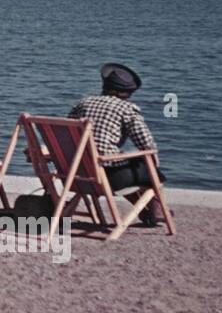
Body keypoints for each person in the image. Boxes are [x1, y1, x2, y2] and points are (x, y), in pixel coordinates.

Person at [68, 62, 165, 224]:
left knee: (123, 164)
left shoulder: (83, 103)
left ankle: (149, 210)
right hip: (108, 177)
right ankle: (156, 210)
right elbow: (146, 144)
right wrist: (152, 158)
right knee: (149, 168)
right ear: (128, 92)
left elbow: (68, 132)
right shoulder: (126, 109)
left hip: (76, 173)